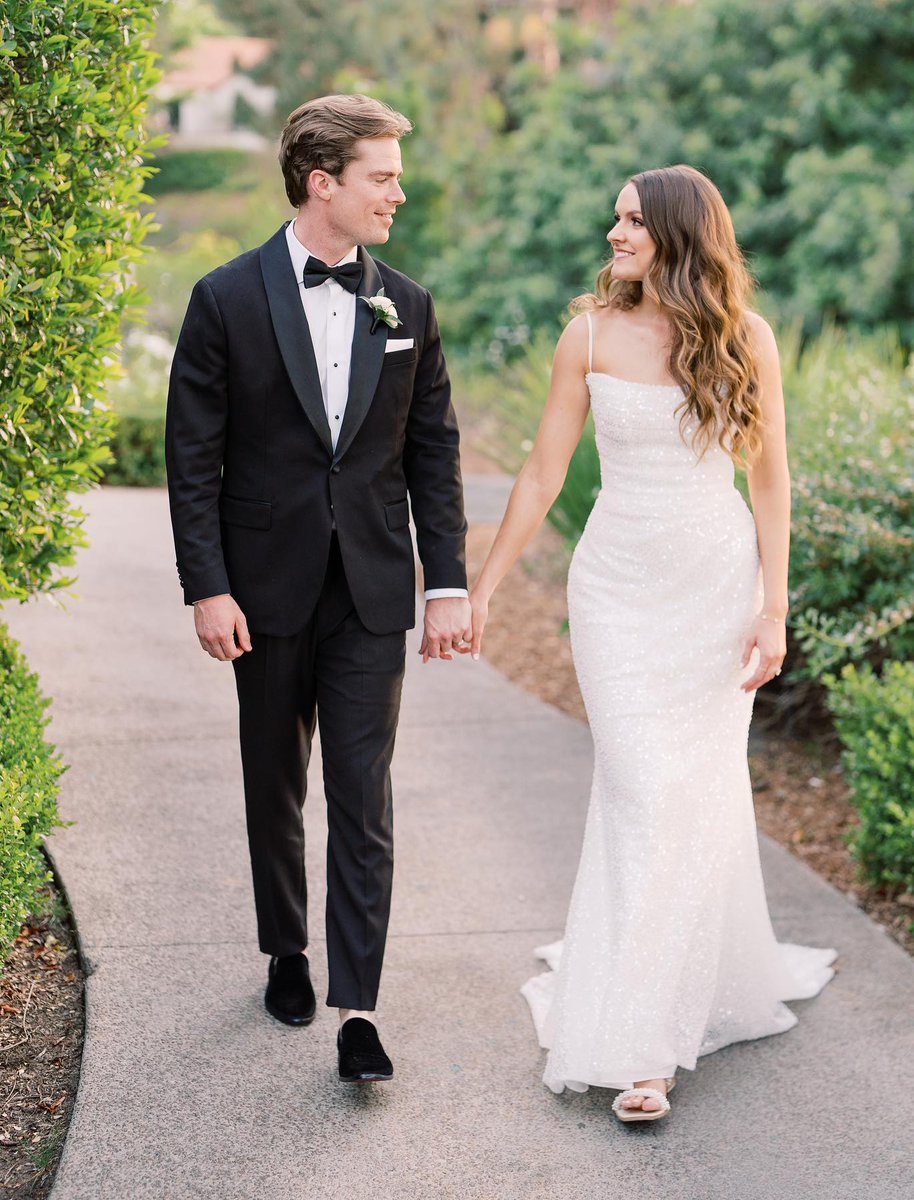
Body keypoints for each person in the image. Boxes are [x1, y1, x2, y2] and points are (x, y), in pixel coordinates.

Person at [468, 164, 836, 1121]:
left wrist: (773, 608)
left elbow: (769, 480)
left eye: (632, 220)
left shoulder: (745, 338)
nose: (614, 232)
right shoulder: (586, 334)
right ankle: (641, 1036)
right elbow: (543, 472)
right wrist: (486, 585)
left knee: (686, 796)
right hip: (617, 594)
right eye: (616, 218)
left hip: (714, 590)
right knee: (639, 789)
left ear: (678, 232)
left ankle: (654, 1037)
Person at [165, 94, 471, 1083]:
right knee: (274, 779)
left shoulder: (408, 306)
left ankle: (358, 1011)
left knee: (362, 795)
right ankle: (285, 949)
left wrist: (447, 583)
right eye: (383, 177)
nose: (398, 194)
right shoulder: (224, 298)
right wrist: (207, 587)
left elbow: (434, 457)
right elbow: (193, 458)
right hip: (262, 589)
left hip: (371, 591)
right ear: (321, 182)